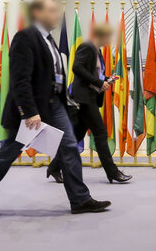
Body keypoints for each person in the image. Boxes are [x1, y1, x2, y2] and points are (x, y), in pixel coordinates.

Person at [0, 0, 110, 217]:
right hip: (31, 108)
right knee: (9, 152)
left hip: (54, 105)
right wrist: (29, 111)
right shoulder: (25, 37)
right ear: (37, 13)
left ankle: (80, 200)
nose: (57, 15)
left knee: (70, 147)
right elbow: (19, 79)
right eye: (52, 10)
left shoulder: (49, 39)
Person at [47, 23, 132, 184]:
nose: (109, 40)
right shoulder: (87, 47)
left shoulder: (96, 51)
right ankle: (112, 172)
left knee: (76, 136)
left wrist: (105, 80)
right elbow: (77, 68)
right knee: (100, 133)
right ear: (100, 36)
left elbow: (93, 73)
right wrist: (99, 83)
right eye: (108, 36)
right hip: (83, 99)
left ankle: (54, 167)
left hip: (89, 97)